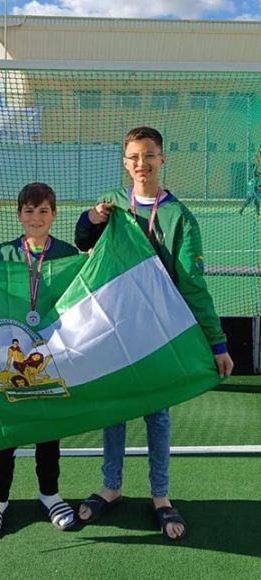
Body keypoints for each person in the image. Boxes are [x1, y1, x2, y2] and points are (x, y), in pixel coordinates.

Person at [74, 126, 235, 540]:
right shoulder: (114, 203)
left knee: (157, 415)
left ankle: (161, 497)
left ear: (163, 159)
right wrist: (92, 218)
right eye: (133, 157)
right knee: (115, 408)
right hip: (116, 328)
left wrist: (217, 343)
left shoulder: (179, 216)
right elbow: (81, 242)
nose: (141, 164)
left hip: (161, 333)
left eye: (148, 155)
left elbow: (193, 284)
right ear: (124, 163)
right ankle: (111, 487)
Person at [0, 183, 79, 538]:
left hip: (49, 358)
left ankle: (49, 494)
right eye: (29, 211)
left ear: (54, 214)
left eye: (44, 211)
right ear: (19, 213)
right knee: (6, 430)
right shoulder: (0, 255)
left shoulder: (68, 254)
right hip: (8, 358)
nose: (36, 218)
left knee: (48, 429)